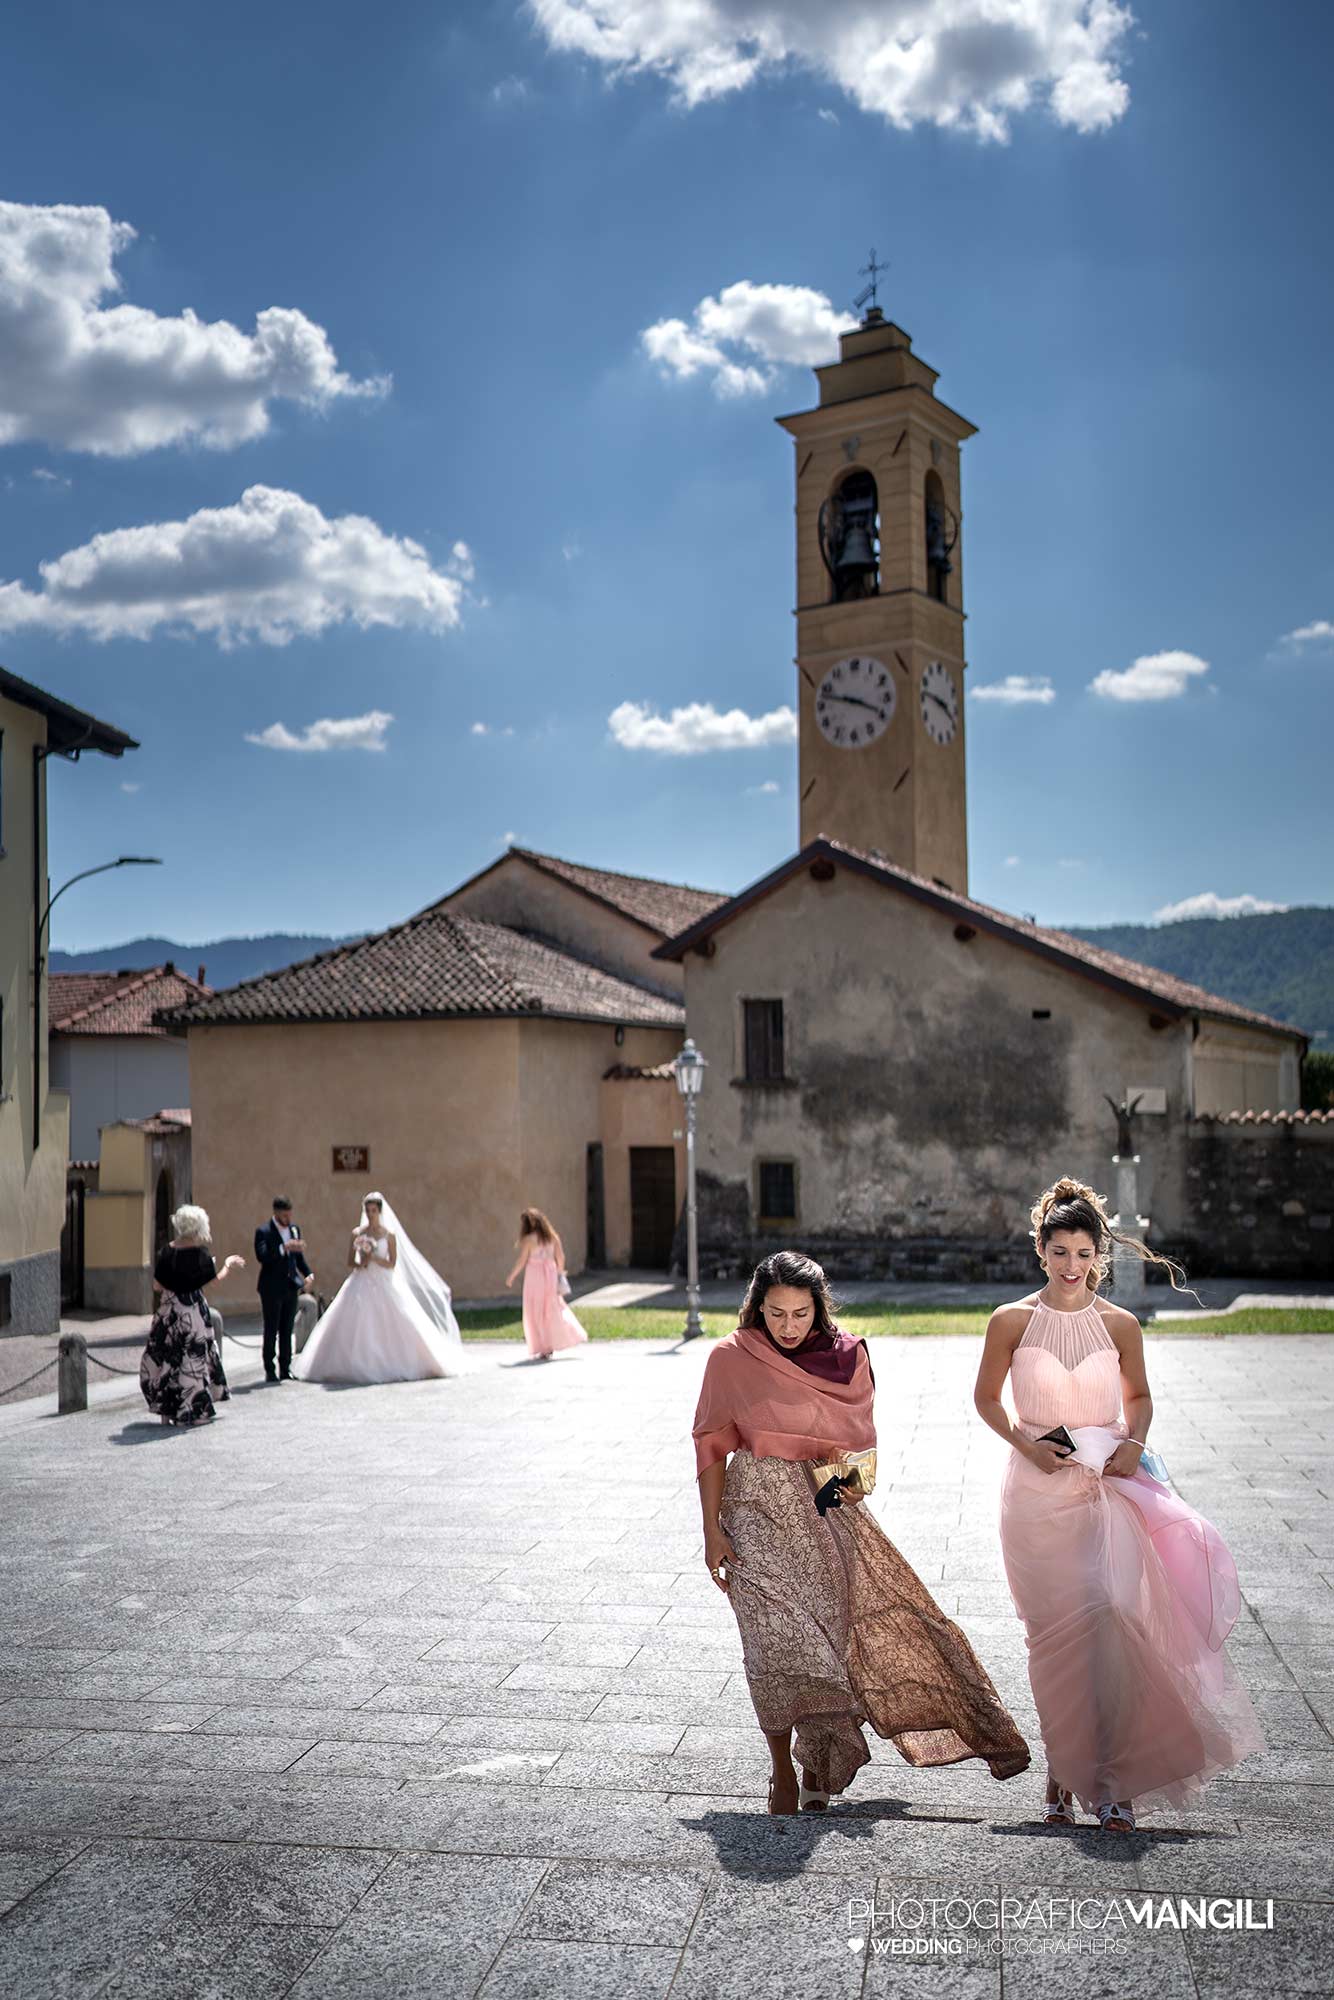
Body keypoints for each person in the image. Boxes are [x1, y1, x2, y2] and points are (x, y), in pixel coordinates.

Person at [973, 1176, 1265, 1831]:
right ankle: (1061, 1768)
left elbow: (1139, 1398)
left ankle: (1113, 1780)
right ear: (1040, 1251)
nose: (1071, 1266)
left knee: (1110, 1625)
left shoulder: (1121, 1325)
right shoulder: (1011, 1321)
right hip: (1033, 1495)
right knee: (1051, 1642)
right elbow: (988, 1400)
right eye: (1060, 1253)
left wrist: (1134, 1441)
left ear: (1097, 1256)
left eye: (1083, 1254)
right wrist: (1027, 1449)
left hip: (1106, 1489)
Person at [692, 1250, 1031, 1815]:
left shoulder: (846, 1357)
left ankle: (816, 1766)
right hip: (751, 1509)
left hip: (823, 1515)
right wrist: (711, 1530)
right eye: (776, 1313)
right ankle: (779, 1768)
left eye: (801, 1313)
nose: (789, 1326)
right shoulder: (729, 1358)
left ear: (818, 1309)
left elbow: (857, 1449)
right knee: (771, 1643)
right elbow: (709, 1447)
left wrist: (849, 1483)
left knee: (824, 1649)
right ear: (757, 1308)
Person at [292, 1191, 470, 1383]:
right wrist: (363, 1261)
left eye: (374, 1211)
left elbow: (392, 1262)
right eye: (367, 1211)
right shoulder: (357, 1234)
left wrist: (374, 1257)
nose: (370, 1215)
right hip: (361, 1279)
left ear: (380, 1211)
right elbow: (351, 1262)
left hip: (385, 1281)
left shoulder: (389, 1235)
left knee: (399, 1317)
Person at [140, 1205, 246, 1427]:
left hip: (169, 1312)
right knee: (192, 1361)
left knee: (168, 1360)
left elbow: (157, 1285)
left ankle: (166, 1412)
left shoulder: (166, 1252)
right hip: (193, 1313)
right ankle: (191, 1412)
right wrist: (227, 1264)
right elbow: (214, 1281)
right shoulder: (201, 1255)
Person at [506, 1208, 588, 1360]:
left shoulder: (529, 1239)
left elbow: (522, 1261)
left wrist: (511, 1276)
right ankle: (557, 1341)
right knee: (552, 1309)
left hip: (534, 1277)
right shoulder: (553, 1237)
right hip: (550, 1275)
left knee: (535, 1310)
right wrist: (559, 1274)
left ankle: (543, 1346)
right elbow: (560, 1258)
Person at [254, 1196, 314, 1383]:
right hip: (271, 1287)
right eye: (284, 1215)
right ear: (276, 1212)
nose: (287, 1218)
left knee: (287, 1329)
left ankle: (285, 1367)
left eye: (289, 1214)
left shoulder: (294, 1229)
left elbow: (298, 1258)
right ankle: (269, 1369)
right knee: (272, 1328)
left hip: (290, 1286)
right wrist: (283, 1248)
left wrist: (308, 1273)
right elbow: (262, 1256)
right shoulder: (263, 1231)